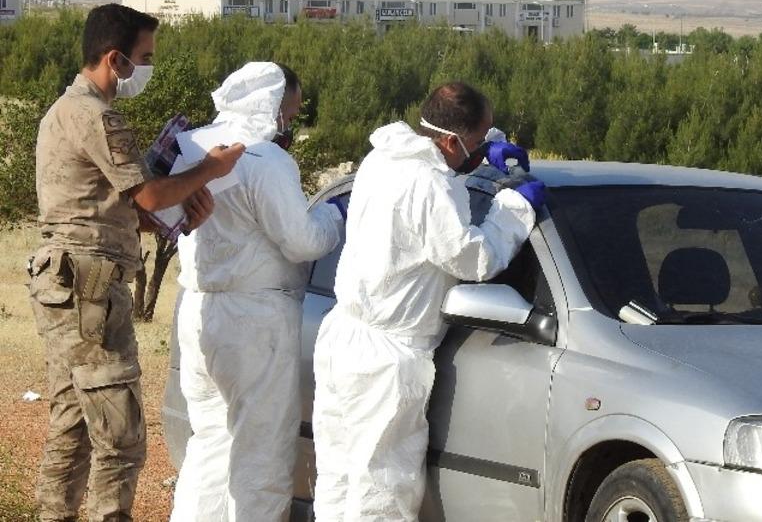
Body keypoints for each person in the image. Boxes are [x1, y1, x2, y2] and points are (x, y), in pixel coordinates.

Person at [29, 3, 244, 522]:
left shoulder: (64, 111)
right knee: (121, 440)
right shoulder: (97, 115)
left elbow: (107, 209)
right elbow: (147, 195)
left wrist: (180, 216)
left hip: (67, 284)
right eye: (143, 58)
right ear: (115, 59)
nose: (146, 69)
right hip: (91, 290)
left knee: (73, 425)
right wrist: (211, 168)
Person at [311, 82, 545, 521]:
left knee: (340, 478)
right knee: (381, 488)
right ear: (452, 140)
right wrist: (513, 208)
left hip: (344, 340)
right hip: (387, 359)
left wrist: (489, 145)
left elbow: (438, 176)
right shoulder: (430, 183)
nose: (479, 151)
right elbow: (472, 256)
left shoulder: (386, 159)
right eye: (479, 140)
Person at [168, 62, 343, 521]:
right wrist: (334, 215)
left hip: (199, 310)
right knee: (261, 453)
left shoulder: (196, 149)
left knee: (208, 446)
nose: (294, 122)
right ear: (275, 107)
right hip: (255, 319)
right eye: (294, 111)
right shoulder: (266, 160)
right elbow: (301, 242)